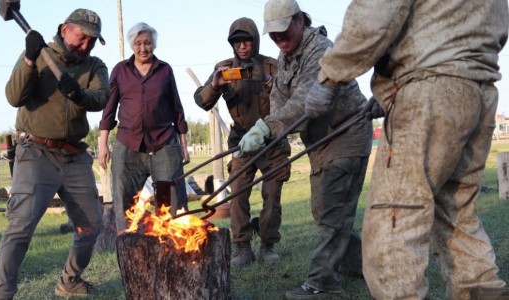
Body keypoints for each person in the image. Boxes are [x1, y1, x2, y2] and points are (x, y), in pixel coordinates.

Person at [286, 0, 509, 298]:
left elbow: (374, 13)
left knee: (393, 222)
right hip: (478, 89)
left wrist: (329, 76)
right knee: (457, 216)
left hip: (429, 92)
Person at [237, 0, 373, 297]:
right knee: (326, 210)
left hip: (346, 134)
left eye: (284, 32)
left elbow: (306, 101)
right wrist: (270, 128)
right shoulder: (286, 56)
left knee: (331, 211)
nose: (279, 40)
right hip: (321, 142)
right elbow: (279, 97)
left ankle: (322, 284)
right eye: (273, 35)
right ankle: (363, 266)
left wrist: (267, 127)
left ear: (300, 20)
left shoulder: (320, 49)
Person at [0, 8, 109, 300]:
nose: (86, 46)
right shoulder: (38, 54)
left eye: (92, 41)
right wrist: (30, 60)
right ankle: (2, 294)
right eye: (82, 38)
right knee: (20, 228)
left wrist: (79, 94)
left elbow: (102, 98)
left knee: (91, 225)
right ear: (65, 28)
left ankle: (69, 280)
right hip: (35, 153)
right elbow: (13, 96)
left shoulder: (94, 65)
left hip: (75, 157)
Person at [193, 17, 290, 266]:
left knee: (272, 195)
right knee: (238, 195)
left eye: (246, 40)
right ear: (232, 45)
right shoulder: (224, 68)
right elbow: (202, 101)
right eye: (237, 42)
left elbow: (290, 96)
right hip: (241, 141)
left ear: (255, 41)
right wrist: (215, 85)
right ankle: (243, 247)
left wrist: (268, 82)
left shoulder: (272, 65)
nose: (242, 46)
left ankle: (268, 245)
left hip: (272, 140)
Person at [98, 22, 190, 232]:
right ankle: (127, 244)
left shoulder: (164, 70)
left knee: (169, 202)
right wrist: (103, 144)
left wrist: (183, 144)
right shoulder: (121, 70)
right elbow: (109, 109)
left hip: (163, 143)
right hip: (128, 143)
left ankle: (168, 244)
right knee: (123, 200)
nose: (143, 48)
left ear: (154, 45)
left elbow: (177, 108)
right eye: (138, 43)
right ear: (132, 45)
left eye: (147, 43)